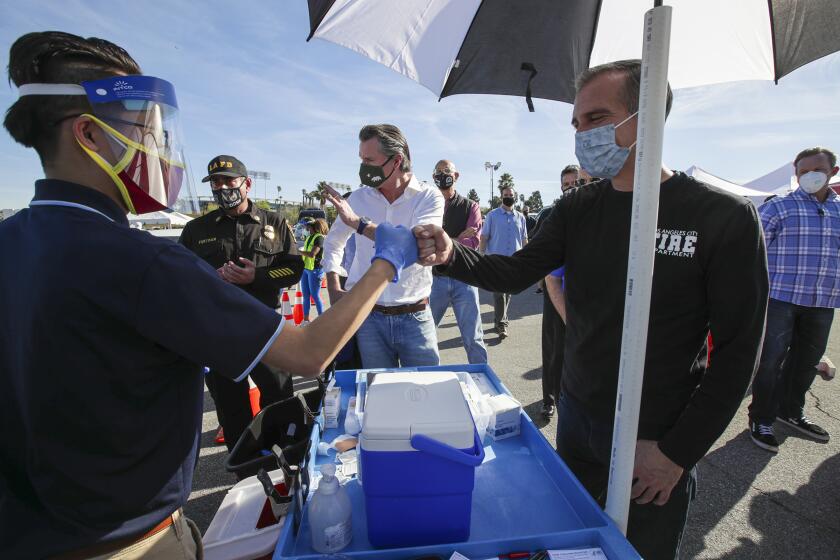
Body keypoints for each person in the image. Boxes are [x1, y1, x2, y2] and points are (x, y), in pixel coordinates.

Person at [0, 31, 418, 560]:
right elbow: (310, 352)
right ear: (87, 133)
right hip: (129, 542)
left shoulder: (13, 241)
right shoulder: (143, 259)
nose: (159, 150)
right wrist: (385, 264)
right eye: (146, 132)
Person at [414, 59, 768, 560]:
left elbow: (738, 352)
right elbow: (516, 272)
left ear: (644, 119)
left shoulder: (722, 217)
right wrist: (451, 254)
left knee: (637, 551)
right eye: (577, 124)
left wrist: (676, 454)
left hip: (657, 437)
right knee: (571, 547)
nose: (581, 135)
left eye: (596, 119)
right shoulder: (576, 210)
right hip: (579, 424)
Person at [180, 154, 302, 453]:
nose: (222, 187)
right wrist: (211, 277)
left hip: (265, 327)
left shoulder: (274, 222)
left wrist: (256, 277)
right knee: (231, 408)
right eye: (216, 183)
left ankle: (287, 458)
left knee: (280, 398)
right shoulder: (197, 229)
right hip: (219, 333)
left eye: (228, 181)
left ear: (246, 184)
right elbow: (180, 276)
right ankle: (246, 468)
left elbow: (294, 268)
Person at [321, 124, 444, 369]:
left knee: (425, 393)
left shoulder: (428, 197)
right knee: (377, 394)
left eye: (369, 160)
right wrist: (334, 286)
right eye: (361, 159)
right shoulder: (357, 198)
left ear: (396, 160)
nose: (363, 167)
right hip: (369, 318)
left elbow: (414, 245)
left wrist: (358, 223)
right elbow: (334, 242)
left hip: (415, 317)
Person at [747, 146, 839, 452]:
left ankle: (790, 411)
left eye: (818, 171)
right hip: (780, 299)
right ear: (796, 174)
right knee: (770, 362)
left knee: (806, 362)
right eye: (803, 172)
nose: (810, 177)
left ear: (833, 173)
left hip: (822, 301)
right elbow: (751, 252)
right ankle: (761, 418)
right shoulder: (779, 208)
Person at [429, 159, 487, 364]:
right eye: (438, 171)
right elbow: (426, 242)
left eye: (446, 171)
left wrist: (442, 239)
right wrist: (458, 237)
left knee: (473, 337)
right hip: (435, 280)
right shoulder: (428, 205)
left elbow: (472, 243)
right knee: (426, 335)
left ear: (456, 176)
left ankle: (481, 378)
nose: (442, 175)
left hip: (465, 279)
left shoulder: (471, 206)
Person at [480, 185, 528, 339]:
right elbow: (484, 237)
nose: (508, 196)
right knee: (499, 292)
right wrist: (481, 256)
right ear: (501, 197)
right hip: (496, 260)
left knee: (508, 292)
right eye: (505, 194)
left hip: (515, 261)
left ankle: (499, 320)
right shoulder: (492, 215)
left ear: (515, 196)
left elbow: (524, 239)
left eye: (511, 194)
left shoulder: (520, 217)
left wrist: (527, 257)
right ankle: (502, 324)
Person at [300, 217, 329, 322]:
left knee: (315, 295)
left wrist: (299, 252)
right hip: (306, 269)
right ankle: (306, 320)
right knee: (306, 295)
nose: (304, 228)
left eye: (305, 226)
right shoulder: (309, 237)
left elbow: (312, 254)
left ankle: (322, 320)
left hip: (316, 270)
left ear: (310, 226)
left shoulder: (319, 238)